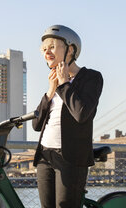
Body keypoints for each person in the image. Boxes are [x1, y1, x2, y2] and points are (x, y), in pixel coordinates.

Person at [32, 25, 103, 208]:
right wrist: (50, 90)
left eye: (52, 47)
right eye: (44, 49)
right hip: (45, 155)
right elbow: (36, 124)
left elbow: (81, 114)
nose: (47, 53)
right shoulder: (54, 82)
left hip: (70, 157)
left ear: (70, 49)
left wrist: (64, 84)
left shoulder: (91, 78)